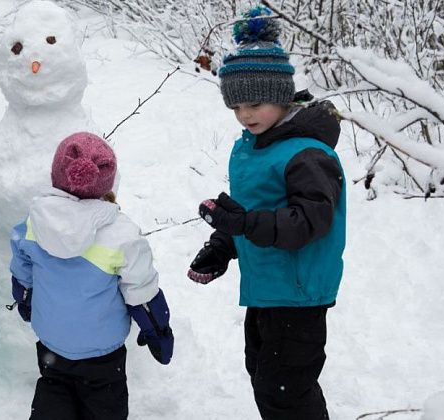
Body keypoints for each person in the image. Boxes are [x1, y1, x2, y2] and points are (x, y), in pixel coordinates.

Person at [187, 6, 345, 420]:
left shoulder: (306, 153)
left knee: (286, 391)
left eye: (254, 103)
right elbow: (254, 210)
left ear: (281, 95)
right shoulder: (254, 146)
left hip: (297, 293)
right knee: (265, 378)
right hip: (265, 289)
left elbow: (310, 221)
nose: (245, 115)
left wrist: (242, 225)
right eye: (236, 107)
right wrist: (223, 243)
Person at [8, 132, 173, 420]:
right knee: (104, 407)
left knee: (54, 393)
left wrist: (25, 302)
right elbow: (142, 292)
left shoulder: (34, 222)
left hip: (52, 345)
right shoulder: (122, 235)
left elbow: (22, 272)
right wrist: (157, 330)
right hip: (102, 356)